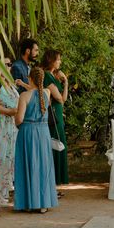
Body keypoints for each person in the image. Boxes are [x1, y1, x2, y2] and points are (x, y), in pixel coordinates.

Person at [14, 67, 58, 212]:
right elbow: (37, 91)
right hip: (43, 132)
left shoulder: (24, 96)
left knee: (29, 164)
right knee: (43, 165)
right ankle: (43, 204)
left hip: (28, 131)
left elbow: (19, 119)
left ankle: (28, 202)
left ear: (29, 78)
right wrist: (25, 84)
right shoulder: (47, 93)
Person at [0, 58, 19, 206]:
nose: (7, 67)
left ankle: (4, 191)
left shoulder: (10, 84)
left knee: (9, 158)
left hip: (11, 126)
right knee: (0, 157)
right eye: (4, 64)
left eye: (9, 64)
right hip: (1, 124)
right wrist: (8, 111)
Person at [43, 49, 69, 186]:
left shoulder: (53, 76)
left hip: (58, 113)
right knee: (55, 143)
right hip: (52, 115)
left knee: (60, 143)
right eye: (58, 59)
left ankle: (57, 180)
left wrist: (66, 83)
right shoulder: (47, 76)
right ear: (51, 60)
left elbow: (63, 99)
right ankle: (53, 180)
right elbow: (59, 98)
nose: (60, 62)